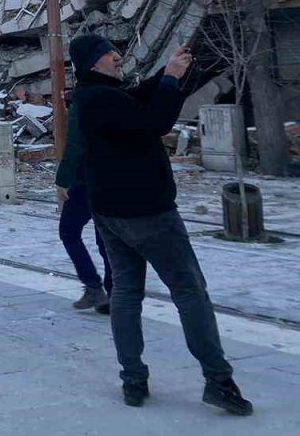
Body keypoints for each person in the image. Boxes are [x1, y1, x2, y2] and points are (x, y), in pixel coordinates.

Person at [72, 33, 251, 415]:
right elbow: (153, 122)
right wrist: (169, 80)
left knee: (125, 291)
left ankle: (133, 379)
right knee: (189, 291)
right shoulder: (101, 98)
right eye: (109, 54)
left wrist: (170, 72)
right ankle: (219, 380)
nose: (117, 57)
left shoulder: (96, 95)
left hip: (110, 212)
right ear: (92, 62)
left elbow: (136, 97)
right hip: (147, 212)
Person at [55, 89, 112, 313]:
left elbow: (74, 144)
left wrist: (63, 179)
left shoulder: (82, 103)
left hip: (85, 179)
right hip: (110, 178)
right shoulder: (114, 97)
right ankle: (114, 292)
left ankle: (93, 287)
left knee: (69, 231)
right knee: (105, 239)